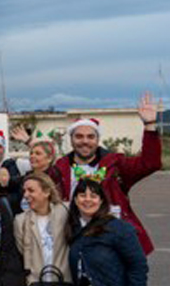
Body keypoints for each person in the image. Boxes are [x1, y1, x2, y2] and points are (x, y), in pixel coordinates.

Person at [54, 93, 163, 255]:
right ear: (71, 139)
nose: (85, 141)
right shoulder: (59, 168)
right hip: (72, 239)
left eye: (90, 136)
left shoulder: (115, 163)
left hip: (113, 241)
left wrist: (149, 125)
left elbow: (150, 163)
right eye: (79, 136)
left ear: (98, 140)